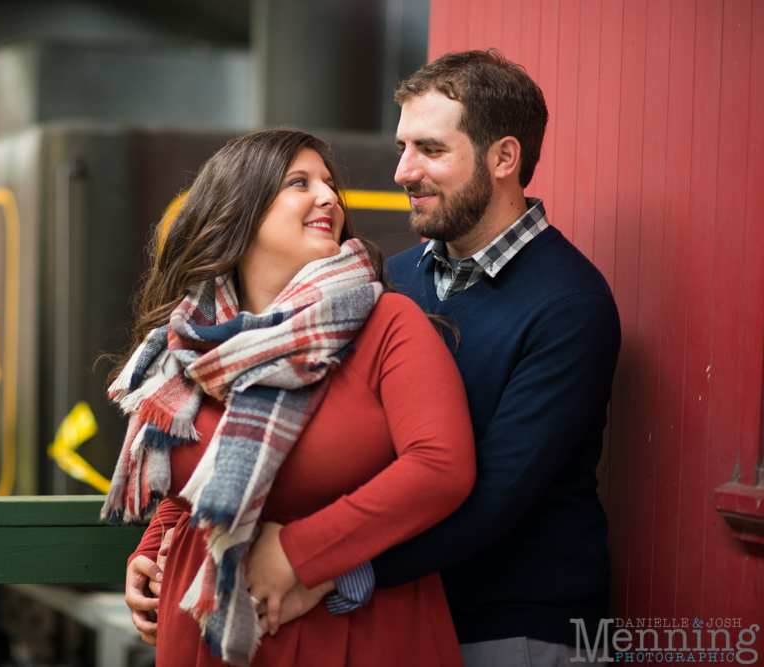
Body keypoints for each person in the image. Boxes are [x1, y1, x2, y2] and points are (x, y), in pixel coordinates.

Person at [105, 128, 476, 666]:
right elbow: (195, 474)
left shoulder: (387, 323)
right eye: (299, 183)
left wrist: (297, 554)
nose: (328, 197)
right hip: (204, 633)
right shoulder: (184, 340)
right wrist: (155, 544)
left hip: (349, 633)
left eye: (329, 184)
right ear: (239, 211)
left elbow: (442, 467)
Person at [351, 49, 620, 666]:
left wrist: (328, 571)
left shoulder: (570, 304)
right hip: (402, 614)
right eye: (402, 147)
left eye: (430, 149)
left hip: (518, 629)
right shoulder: (389, 283)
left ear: (504, 158)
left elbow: (492, 495)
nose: (402, 171)